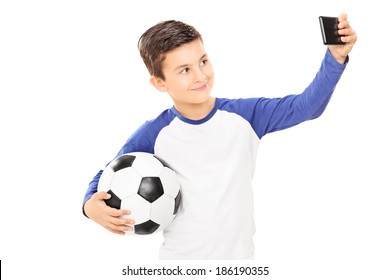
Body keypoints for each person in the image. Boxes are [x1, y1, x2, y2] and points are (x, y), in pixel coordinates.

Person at [83, 14, 357, 260]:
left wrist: (335, 57)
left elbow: (306, 107)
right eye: (185, 70)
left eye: (203, 61)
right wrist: (88, 205)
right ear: (160, 82)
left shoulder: (246, 115)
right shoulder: (154, 133)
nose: (201, 75)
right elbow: (110, 172)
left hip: (238, 265)